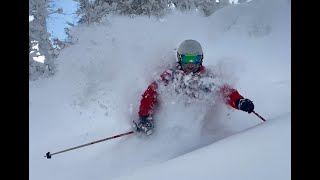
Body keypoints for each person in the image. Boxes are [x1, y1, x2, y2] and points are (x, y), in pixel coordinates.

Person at [134, 39, 254, 135]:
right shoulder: (170, 76)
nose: (190, 64)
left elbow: (226, 92)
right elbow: (150, 93)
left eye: (195, 59)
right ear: (180, 59)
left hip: (201, 127)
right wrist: (145, 117)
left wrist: (239, 101)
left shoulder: (207, 77)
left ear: (201, 59)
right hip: (173, 127)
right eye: (186, 59)